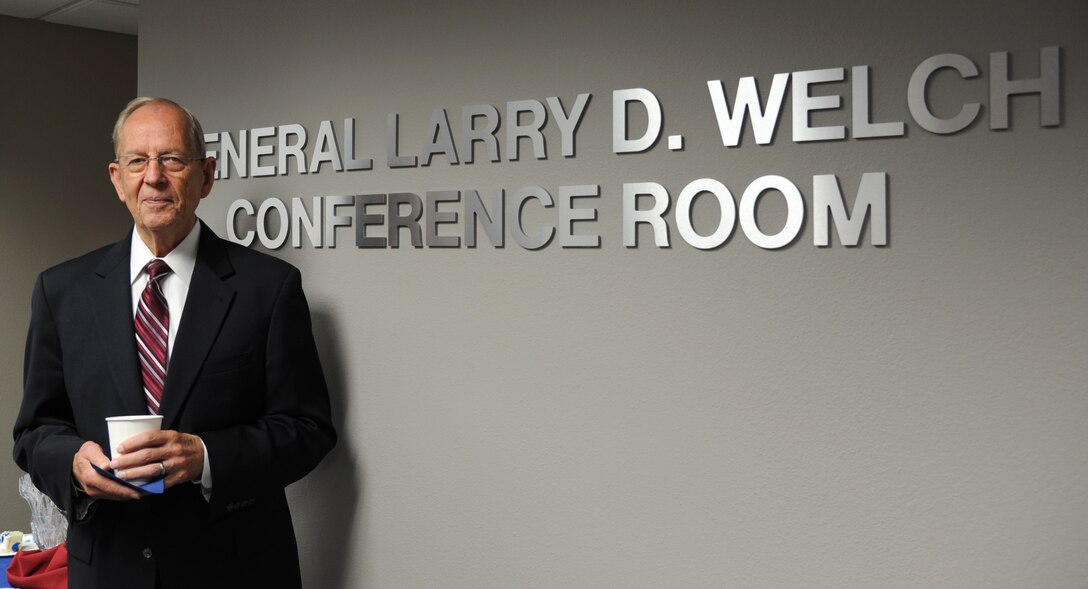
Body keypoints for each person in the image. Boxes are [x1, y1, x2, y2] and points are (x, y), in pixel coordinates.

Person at [12, 97, 337, 589]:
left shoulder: (268, 288)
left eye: (172, 159)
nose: (154, 177)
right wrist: (74, 463)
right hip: (108, 570)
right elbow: (36, 430)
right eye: (138, 161)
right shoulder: (61, 291)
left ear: (205, 176)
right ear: (117, 179)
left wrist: (206, 456)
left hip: (235, 571)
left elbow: (307, 428)